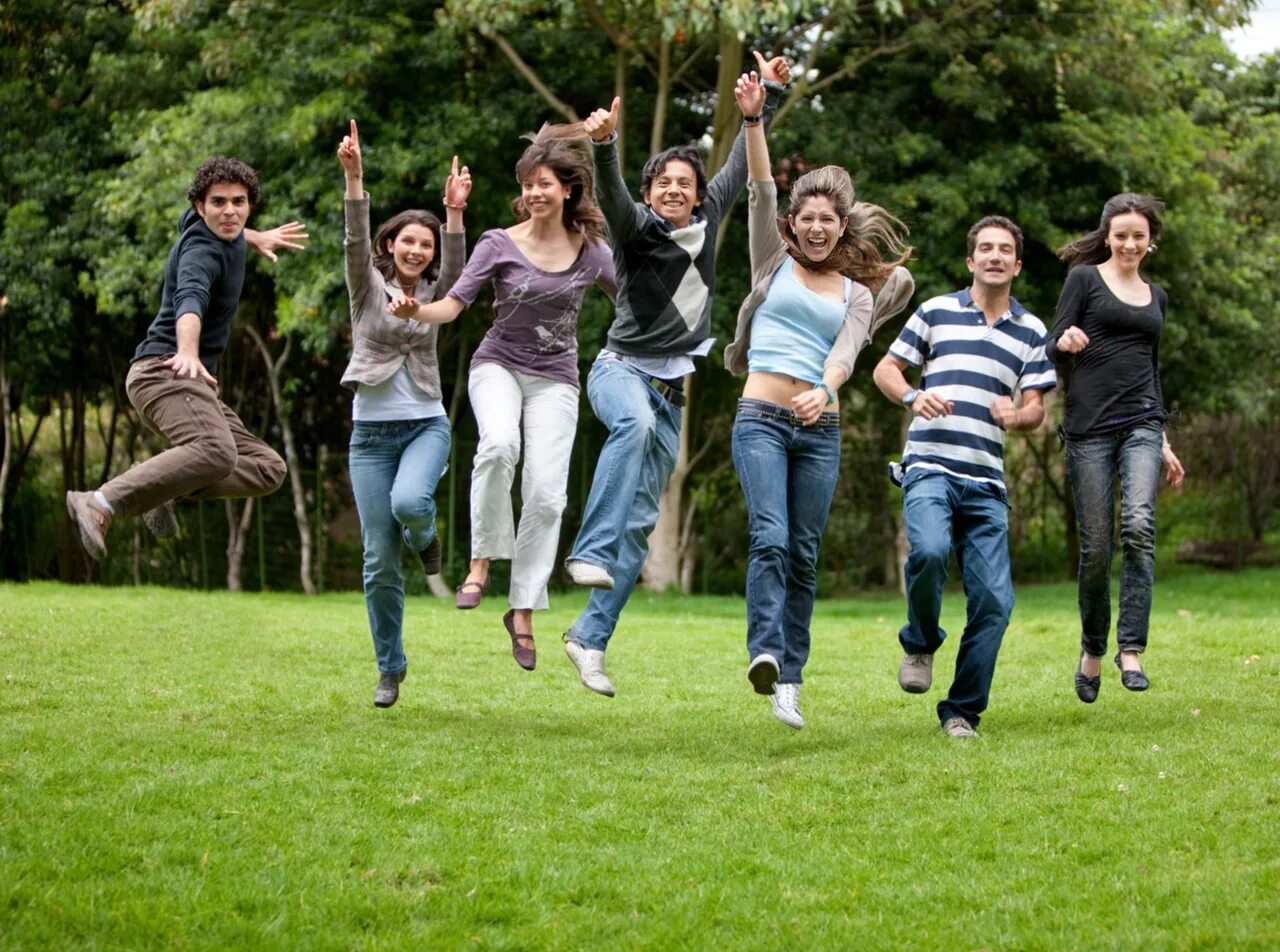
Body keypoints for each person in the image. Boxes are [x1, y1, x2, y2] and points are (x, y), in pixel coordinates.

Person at [558, 52, 791, 698]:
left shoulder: (711, 217)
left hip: (672, 396)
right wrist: (605, 144)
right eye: (664, 182)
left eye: (685, 182)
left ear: (696, 191)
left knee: (641, 529)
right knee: (627, 427)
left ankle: (589, 639)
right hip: (619, 371)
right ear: (652, 189)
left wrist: (764, 100)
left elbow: (743, 165)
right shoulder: (634, 231)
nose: (676, 190)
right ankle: (588, 551)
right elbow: (612, 195)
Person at [723, 70, 914, 729]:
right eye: (805, 218)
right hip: (760, 419)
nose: (815, 227)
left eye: (827, 220)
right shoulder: (769, 261)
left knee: (804, 554)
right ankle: (764, 652)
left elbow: (846, 354)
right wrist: (754, 121)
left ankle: (790, 681)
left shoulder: (857, 295)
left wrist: (826, 389)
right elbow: (757, 189)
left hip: (821, 427)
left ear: (840, 227)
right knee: (770, 536)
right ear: (792, 224)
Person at [387, 130, 615, 672]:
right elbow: (451, 306)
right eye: (529, 184)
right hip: (497, 365)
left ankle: (522, 610)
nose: (535, 193)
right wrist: (414, 312)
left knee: (547, 495)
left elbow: (633, 299)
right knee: (497, 446)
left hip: (557, 378)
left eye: (546, 184)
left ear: (568, 190)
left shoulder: (592, 252)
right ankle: (481, 562)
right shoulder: (498, 242)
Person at [65, 156, 305, 562]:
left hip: (189, 378)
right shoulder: (200, 251)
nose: (230, 211)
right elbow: (189, 300)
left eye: (239, 202)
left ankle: (161, 485)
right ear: (200, 206)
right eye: (218, 203)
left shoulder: (223, 233)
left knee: (268, 468)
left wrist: (255, 237)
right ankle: (102, 502)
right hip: (165, 369)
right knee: (216, 450)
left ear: (249, 205)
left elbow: (231, 230)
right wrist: (188, 352)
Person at [872, 215, 1056, 738]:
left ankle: (961, 711)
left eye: (1005, 250)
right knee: (928, 552)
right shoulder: (935, 312)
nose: (995, 256)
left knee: (996, 601)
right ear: (970, 260)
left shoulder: (1032, 330)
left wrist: (1015, 415)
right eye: (985, 248)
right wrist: (912, 395)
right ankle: (921, 641)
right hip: (929, 465)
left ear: (1017, 265)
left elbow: (1036, 409)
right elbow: (887, 369)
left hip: (987, 484)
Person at [337, 119, 471, 708]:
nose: (418, 249)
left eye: (428, 244)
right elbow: (352, 238)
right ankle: (390, 668)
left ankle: (429, 537)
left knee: (411, 502)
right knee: (377, 562)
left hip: (425, 425)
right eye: (409, 241)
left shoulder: (438, 295)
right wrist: (355, 178)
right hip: (369, 437)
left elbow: (463, 273)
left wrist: (454, 215)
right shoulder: (367, 287)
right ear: (391, 245)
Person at [1047, 193, 1185, 703]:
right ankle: (1091, 650)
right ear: (1107, 236)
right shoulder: (1084, 280)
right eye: (1121, 234)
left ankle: (1131, 648)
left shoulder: (1158, 297)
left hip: (1144, 422)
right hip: (1089, 429)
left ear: (1150, 243)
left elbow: (1152, 369)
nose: (1129, 243)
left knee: (1140, 527)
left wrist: (1164, 439)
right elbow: (1052, 338)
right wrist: (1065, 342)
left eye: (1139, 236)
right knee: (1097, 547)